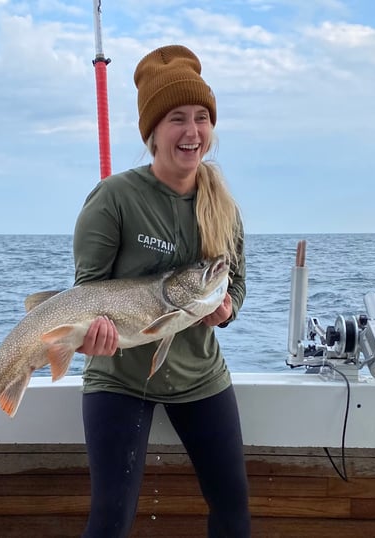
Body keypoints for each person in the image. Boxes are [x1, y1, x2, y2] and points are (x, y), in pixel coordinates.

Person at [73, 44, 251, 538]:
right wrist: (91, 336)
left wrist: (227, 307)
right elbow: (87, 291)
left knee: (233, 509)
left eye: (202, 117)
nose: (192, 132)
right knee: (110, 518)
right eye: (177, 118)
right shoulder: (114, 199)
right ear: (152, 131)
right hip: (120, 377)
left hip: (199, 374)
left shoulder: (224, 205)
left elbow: (235, 281)